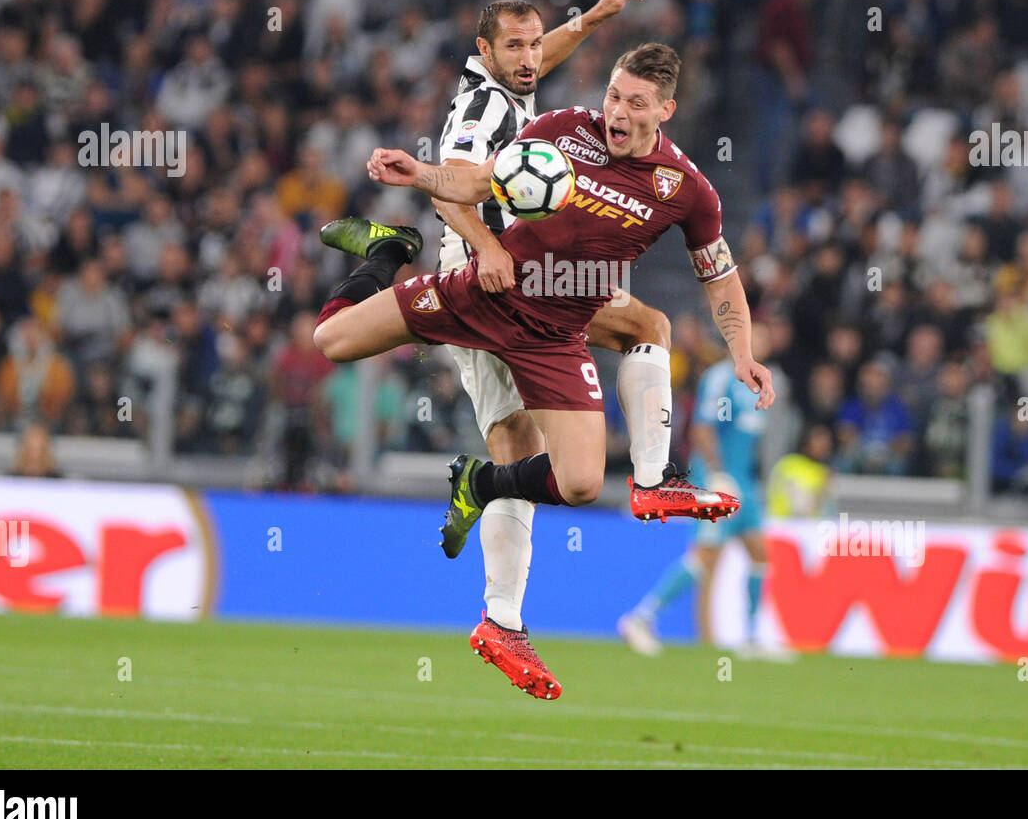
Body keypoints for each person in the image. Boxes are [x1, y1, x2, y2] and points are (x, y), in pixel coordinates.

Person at [313, 43, 776, 698]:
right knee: (331, 339)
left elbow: (721, 278)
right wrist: (419, 173)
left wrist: (742, 354)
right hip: (484, 294)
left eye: (634, 103)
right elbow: (475, 183)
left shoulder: (687, 191)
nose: (616, 111)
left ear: (664, 111)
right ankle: (386, 252)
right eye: (614, 94)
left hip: (554, 336)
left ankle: (637, 482)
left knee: (584, 481)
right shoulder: (561, 132)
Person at [618, 322, 789, 656]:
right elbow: (702, 429)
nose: (764, 342)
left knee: (760, 554)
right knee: (704, 557)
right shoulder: (721, 377)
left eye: (766, 336)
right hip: (719, 480)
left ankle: (752, 638)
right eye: (758, 337)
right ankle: (641, 617)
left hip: (746, 484)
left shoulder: (759, 384)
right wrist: (716, 474)